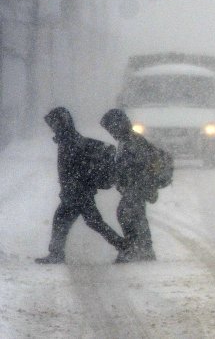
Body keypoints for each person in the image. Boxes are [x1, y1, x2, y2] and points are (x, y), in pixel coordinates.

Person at [35, 107, 125, 264]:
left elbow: (74, 170)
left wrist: (73, 188)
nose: (51, 128)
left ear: (60, 124)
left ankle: (124, 247)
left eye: (53, 124)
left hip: (77, 193)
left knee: (68, 221)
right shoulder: (70, 140)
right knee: (91, 222)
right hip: (78, 192)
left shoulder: (70, 142)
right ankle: (124, 246)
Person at [100, 108, 156, 263]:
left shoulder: (132, 141)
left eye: (111, 128)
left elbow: (137, 165)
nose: (111, 133)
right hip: (133, 186)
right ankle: (142, 249)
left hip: (136, 186)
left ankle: (136, 249)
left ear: (119, 125)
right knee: (132, 216)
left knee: (128, 215)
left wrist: (125, 177)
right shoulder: (127, 140)